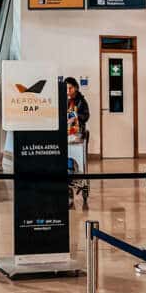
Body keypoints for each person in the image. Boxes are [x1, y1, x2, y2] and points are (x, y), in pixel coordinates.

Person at [64, 77, 90, 210]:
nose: (68, 91)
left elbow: (86, 116)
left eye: (71, 88)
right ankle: (67, 188)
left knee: (72, 158)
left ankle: (72, 185)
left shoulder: (81, 101)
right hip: (65, 135)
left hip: (77, 135)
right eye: (66, 88)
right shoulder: (62, 100)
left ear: (76, 88)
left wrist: (76, 117)